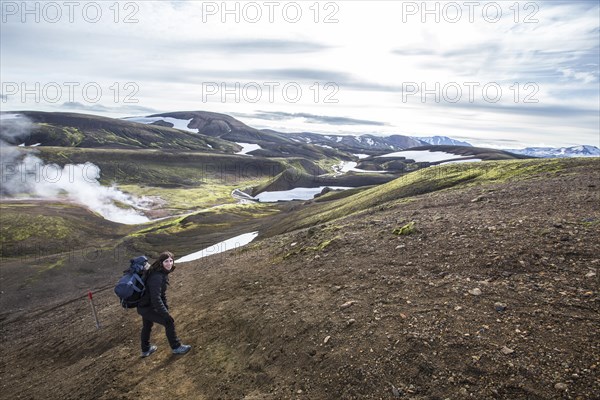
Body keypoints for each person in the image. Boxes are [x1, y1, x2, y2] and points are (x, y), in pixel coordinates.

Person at [137, 251, 191, 357]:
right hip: (147, 307)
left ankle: (145, 349)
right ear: (161, 262)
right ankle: (176, 347)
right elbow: (156, 298)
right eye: (166, 261)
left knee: (147, 325)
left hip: (144, 306)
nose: (169, 263)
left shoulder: (161, 273)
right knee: (169, 322)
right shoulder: (157, 277)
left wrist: (165, 307)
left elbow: (161, 294)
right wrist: (165, 314)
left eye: (171, 261)